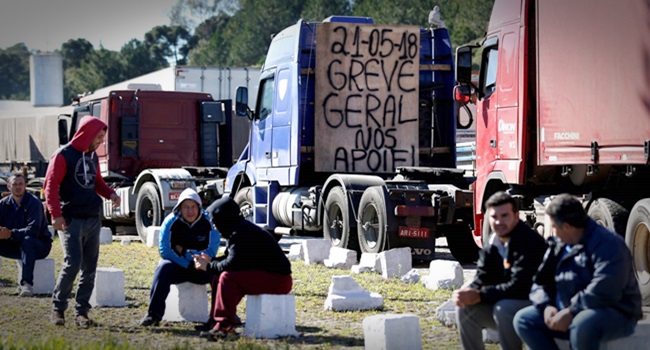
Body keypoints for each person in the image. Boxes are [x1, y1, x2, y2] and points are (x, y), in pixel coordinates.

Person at [513, 194, 642, 350]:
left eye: (554, 227)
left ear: (566, 226)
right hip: (567, 310)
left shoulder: (608, 243)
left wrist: (571, 311)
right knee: (524, 319)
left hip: (614, 312)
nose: (552, 232)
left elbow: (606, 287)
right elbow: (541, 282)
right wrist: (546, 306)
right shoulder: (559, 245)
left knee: (582, 324)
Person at [44, 115, 121, 328]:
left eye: (102, 138)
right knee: (73, 263)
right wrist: (56, 214)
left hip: (92, 218)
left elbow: (97, 182)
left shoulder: (93, 156)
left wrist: (111, 194)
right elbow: (51, 186)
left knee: (90, 267)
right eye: (98, 137)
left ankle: (82, 313)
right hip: (70, 219)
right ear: (87, 134)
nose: (100, 142)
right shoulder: (62, 155)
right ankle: (58, 309)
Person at [453, 191, 547, 350]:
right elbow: (482, 276)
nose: (499, 222)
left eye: (505, 216)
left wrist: (480, 295)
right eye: (494, 217)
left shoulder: (529, 241)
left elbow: (520, 286)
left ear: (516, 216)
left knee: (503, 308)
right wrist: (468, 292)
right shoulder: (494, 241)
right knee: (464, 308)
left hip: (536, 304)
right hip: (508, 298)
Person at [193, 196, 292, 339]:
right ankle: (215, 322)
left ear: (224, 218)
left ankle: (224, 327)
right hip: (270, 276)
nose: (214, 226)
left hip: (279, 280)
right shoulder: (238, 229)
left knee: (228, 277)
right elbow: (233, 259)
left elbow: (232, 264)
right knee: (218, 275)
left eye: (215, 221)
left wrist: (208, 266)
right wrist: (211, 261)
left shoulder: (241, 233)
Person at [139, 187, 221, 327]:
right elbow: (164, 250)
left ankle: (218, 318)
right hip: (179, 267)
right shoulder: (170, 221)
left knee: (219, 272)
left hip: (201, 266)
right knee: (163, 267)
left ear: (199, 207)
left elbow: (212, 250)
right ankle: (153, 315)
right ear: (179, 208)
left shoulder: (209, 222)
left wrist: (185, 252)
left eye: (193, 207)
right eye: (186, 207)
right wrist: (187, 261)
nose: (190, 211)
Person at [0, 173, 53, 296]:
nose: (18, 187)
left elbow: (33, 230)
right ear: (9, 187)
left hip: (39, 245)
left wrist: (10, 233)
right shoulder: (3, 204)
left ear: (26, 186)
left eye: (21, 184)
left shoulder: (34, 203)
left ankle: (27, 285)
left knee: (28, 240)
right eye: (15, 184)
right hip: (14, 244)